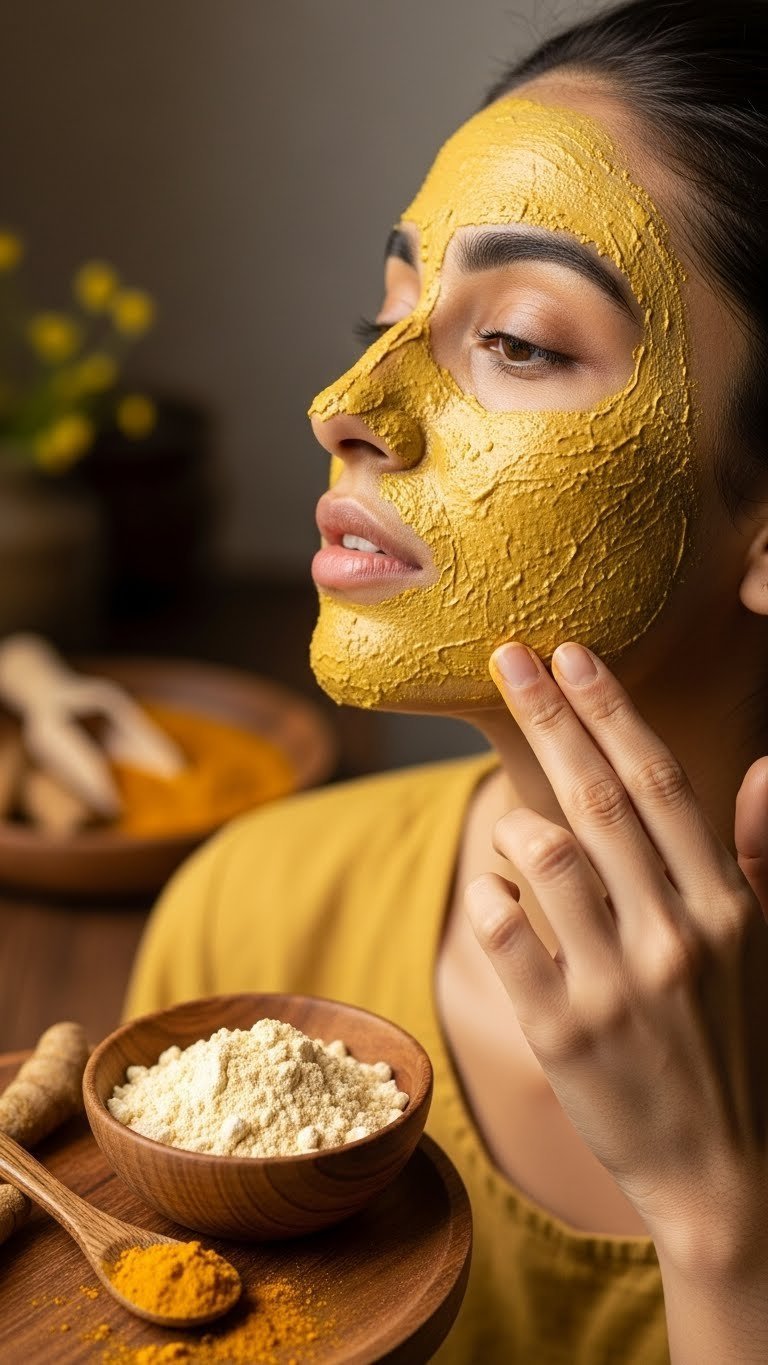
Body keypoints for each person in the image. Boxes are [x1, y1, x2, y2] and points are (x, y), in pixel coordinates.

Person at [125, 2, 768, 1359]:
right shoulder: (256, 925)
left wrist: (718, 1218)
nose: (345, 401)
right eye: (391, 308)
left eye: (521, 340)